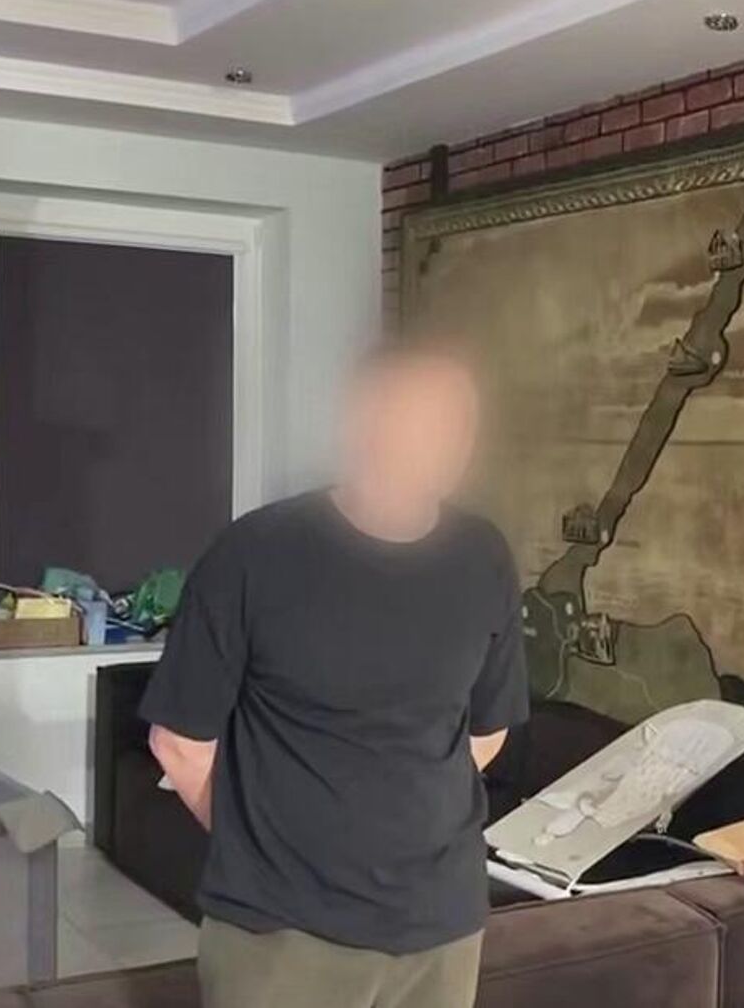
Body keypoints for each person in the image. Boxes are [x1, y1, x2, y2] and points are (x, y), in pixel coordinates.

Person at [142, 341, 528, 1008]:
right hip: (282, 938)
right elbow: (179, 743)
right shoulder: (255, 553)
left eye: (463, 419)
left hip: (443, 931)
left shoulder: (483, 557)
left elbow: (485, 732)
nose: (452, 439)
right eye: (428, 414)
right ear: (364, 421)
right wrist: (266, 854)